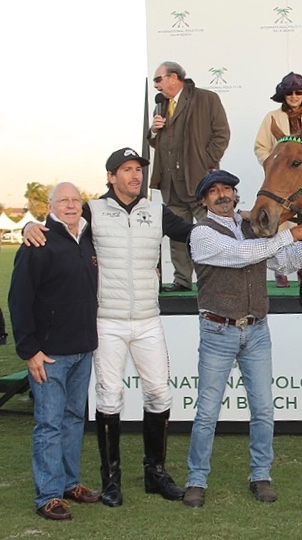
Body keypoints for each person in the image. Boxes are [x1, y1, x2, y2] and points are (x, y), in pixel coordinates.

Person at [23, 148, 192, 507]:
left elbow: (196, 235)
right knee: (109, 397)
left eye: (138, 170)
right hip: (107, 323)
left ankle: (155, 473)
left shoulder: (156, 211)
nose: (135, 176)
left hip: (147, 320)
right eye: (126, 170)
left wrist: (239, 226)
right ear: (111, 177)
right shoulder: (92, 211)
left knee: (160, 394)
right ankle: (110, 481)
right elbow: (58, 219)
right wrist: (28, 225)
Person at [182, 170, 302, 508]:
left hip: (257, 329)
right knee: (207, 411)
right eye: (214, 191)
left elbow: (284, 262)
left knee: (264, 409)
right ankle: (196, 478)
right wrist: (292, 233)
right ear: (204, 200)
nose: (221, 195)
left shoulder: (252, 226)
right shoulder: (201, 233)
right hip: (218, 330)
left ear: (236, 195)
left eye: (227, 189)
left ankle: (261, 474)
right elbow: (242, 254)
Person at [9, 182, 100, 520]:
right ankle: (48, 495)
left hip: (83, 350)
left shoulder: (87, 239)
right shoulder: (38, 243)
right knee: (49, 424)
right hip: (49, 355)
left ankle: (68, 483)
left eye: (76, 200)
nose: (71, 205)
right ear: (50, 206)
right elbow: (18, 300)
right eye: (63, 200)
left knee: (73, 419)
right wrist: (29, 351)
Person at [149, 60, 231, 292]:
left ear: (174, 77)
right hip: (171, 182)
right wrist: (153, 130)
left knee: (212, 232)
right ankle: (182, 281)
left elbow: (222, 134)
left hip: (199, 181)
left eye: (158, 79)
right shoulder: (160, 106)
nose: (156, 86)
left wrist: (204, 163)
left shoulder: (206, 98)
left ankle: (216, 280)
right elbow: (158, 140)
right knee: (178, 236)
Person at [255, 72, 302, 288]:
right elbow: (261, 146)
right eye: (290, 93)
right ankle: (280, 271)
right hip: (282, 184)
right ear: (283, 96)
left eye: (298, 92)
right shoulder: (272, 118)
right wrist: (274, 166)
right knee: (281, 223)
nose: (294, 96)